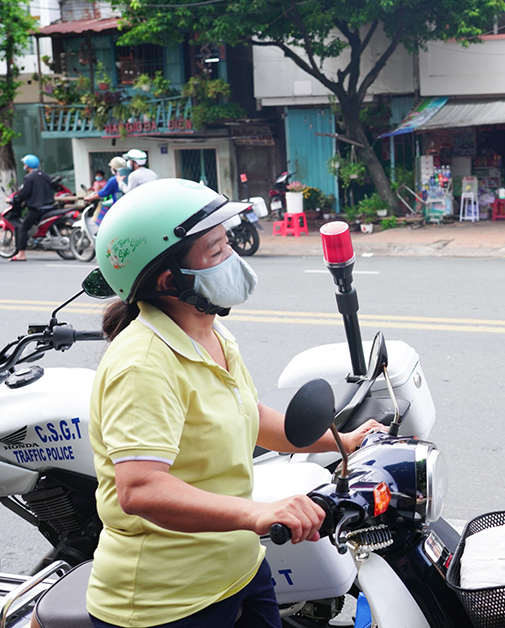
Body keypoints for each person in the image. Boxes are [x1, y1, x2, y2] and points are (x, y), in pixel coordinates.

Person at [86, 179, 384, 628]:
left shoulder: (209, 331)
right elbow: (140, 488)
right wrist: (260, 513)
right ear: (171, 280)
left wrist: (344, 440)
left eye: (228, 243)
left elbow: (250, 415)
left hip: (239, 569)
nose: (232, 258)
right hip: (167, 603)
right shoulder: (142, 364)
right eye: (216, 251)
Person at [9, 154, 55, 262]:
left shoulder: (29, 178)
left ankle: (21, 254)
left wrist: (13, 200)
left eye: (25, 164)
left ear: (28, 165)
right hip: (50, 207)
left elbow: (23, 194)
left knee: (23, 228)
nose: (24, 166)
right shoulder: (44, 175)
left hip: (37, 209)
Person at [84, 157, 128, 226]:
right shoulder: (129, 177)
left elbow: (103, 193)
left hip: (117, 207)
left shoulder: (114, 180)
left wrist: (89, 198)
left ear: (114, 168)